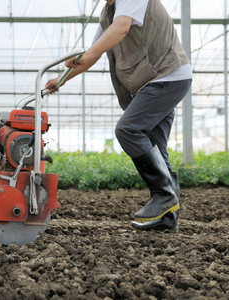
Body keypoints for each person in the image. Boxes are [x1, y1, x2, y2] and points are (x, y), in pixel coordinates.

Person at [45, 0, 192, 231]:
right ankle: (166, 219)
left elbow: (122, 28)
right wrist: (62, 79)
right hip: (154, 81)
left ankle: (164, 196)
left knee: (128, 130)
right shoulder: (108, 13)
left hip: (167, 76)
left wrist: (90, 52)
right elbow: (93, 53)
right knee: (156, 147)